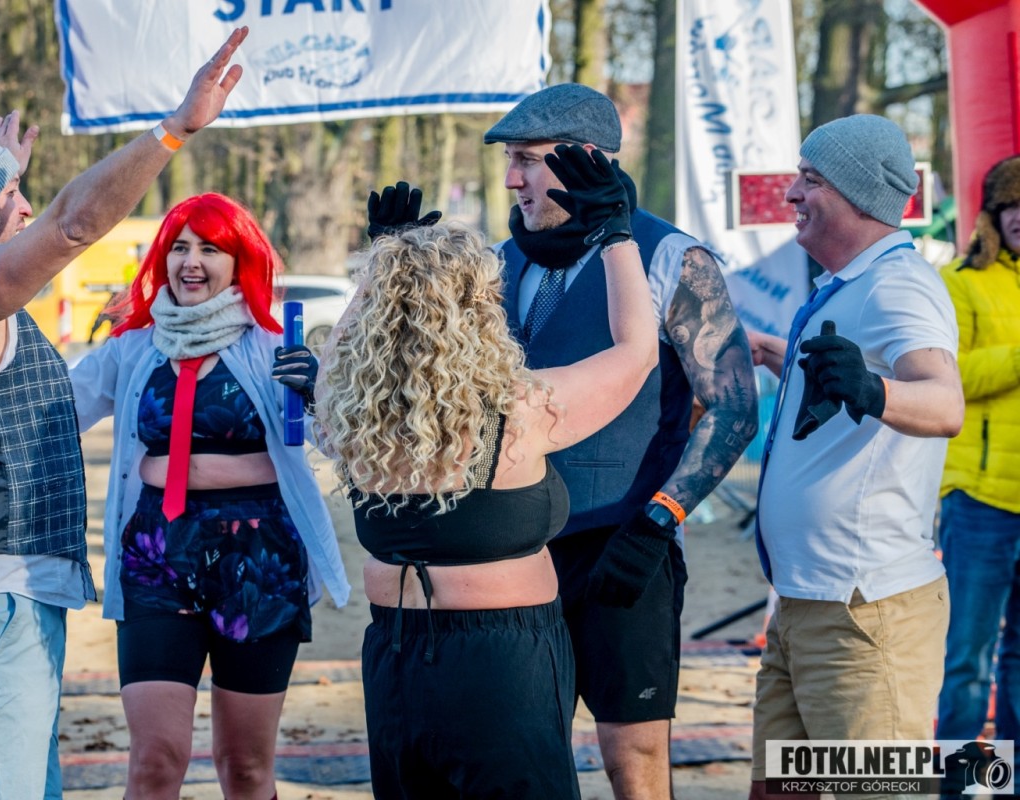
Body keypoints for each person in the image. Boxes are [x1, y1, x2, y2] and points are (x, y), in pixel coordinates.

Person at [0, 27, 250, 800]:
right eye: (13, 199)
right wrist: (173, 131)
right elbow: (72, 224)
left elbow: (40, 411)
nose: (27, 208)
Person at [317, 146, 658, 799]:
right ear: (479, 311)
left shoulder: (356, 417)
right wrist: (617, 236)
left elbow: (339, 363)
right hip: (502, 662)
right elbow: (636, 351)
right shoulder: (520, 413)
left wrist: (384, 264)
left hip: (395, 654)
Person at [482, 83, 759, 799]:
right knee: (520, 754)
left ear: (586, 160)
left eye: (528, 160)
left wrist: (659, 521)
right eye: (511, 160)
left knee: (632, 761)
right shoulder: (497, 261)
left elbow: (734, 409)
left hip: (627, 544)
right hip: (512, 547)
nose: (512, 179)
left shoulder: (674, 257)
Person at [69, 192, 351, 800]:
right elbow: (55, 411)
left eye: (210, 249)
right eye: (179, 247)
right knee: (154, 762)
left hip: (259, 557)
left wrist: (321, 393)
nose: (190, 261)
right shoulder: (133, 345)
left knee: (245, 768)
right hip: (156, 553)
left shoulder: (273, 346)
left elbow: (340, 444)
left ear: (239, 260)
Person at [745, 114, 964, 799]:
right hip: (804, 605)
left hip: (864, 618)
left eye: (810, 179)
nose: (791, 194)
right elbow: (843, 379)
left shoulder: (898, 285)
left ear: (859, 196)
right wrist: (770, 352)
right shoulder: (848, 283)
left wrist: (873, 390)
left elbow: (945, 404)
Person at [936, 154, 1020, 742]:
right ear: (992, 213)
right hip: (980, 500)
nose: (1019, 216)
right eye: (1009, 204)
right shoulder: (959, 282)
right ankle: (958, 779)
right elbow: (949, 378)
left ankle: (1011, 779)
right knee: (968, 656)